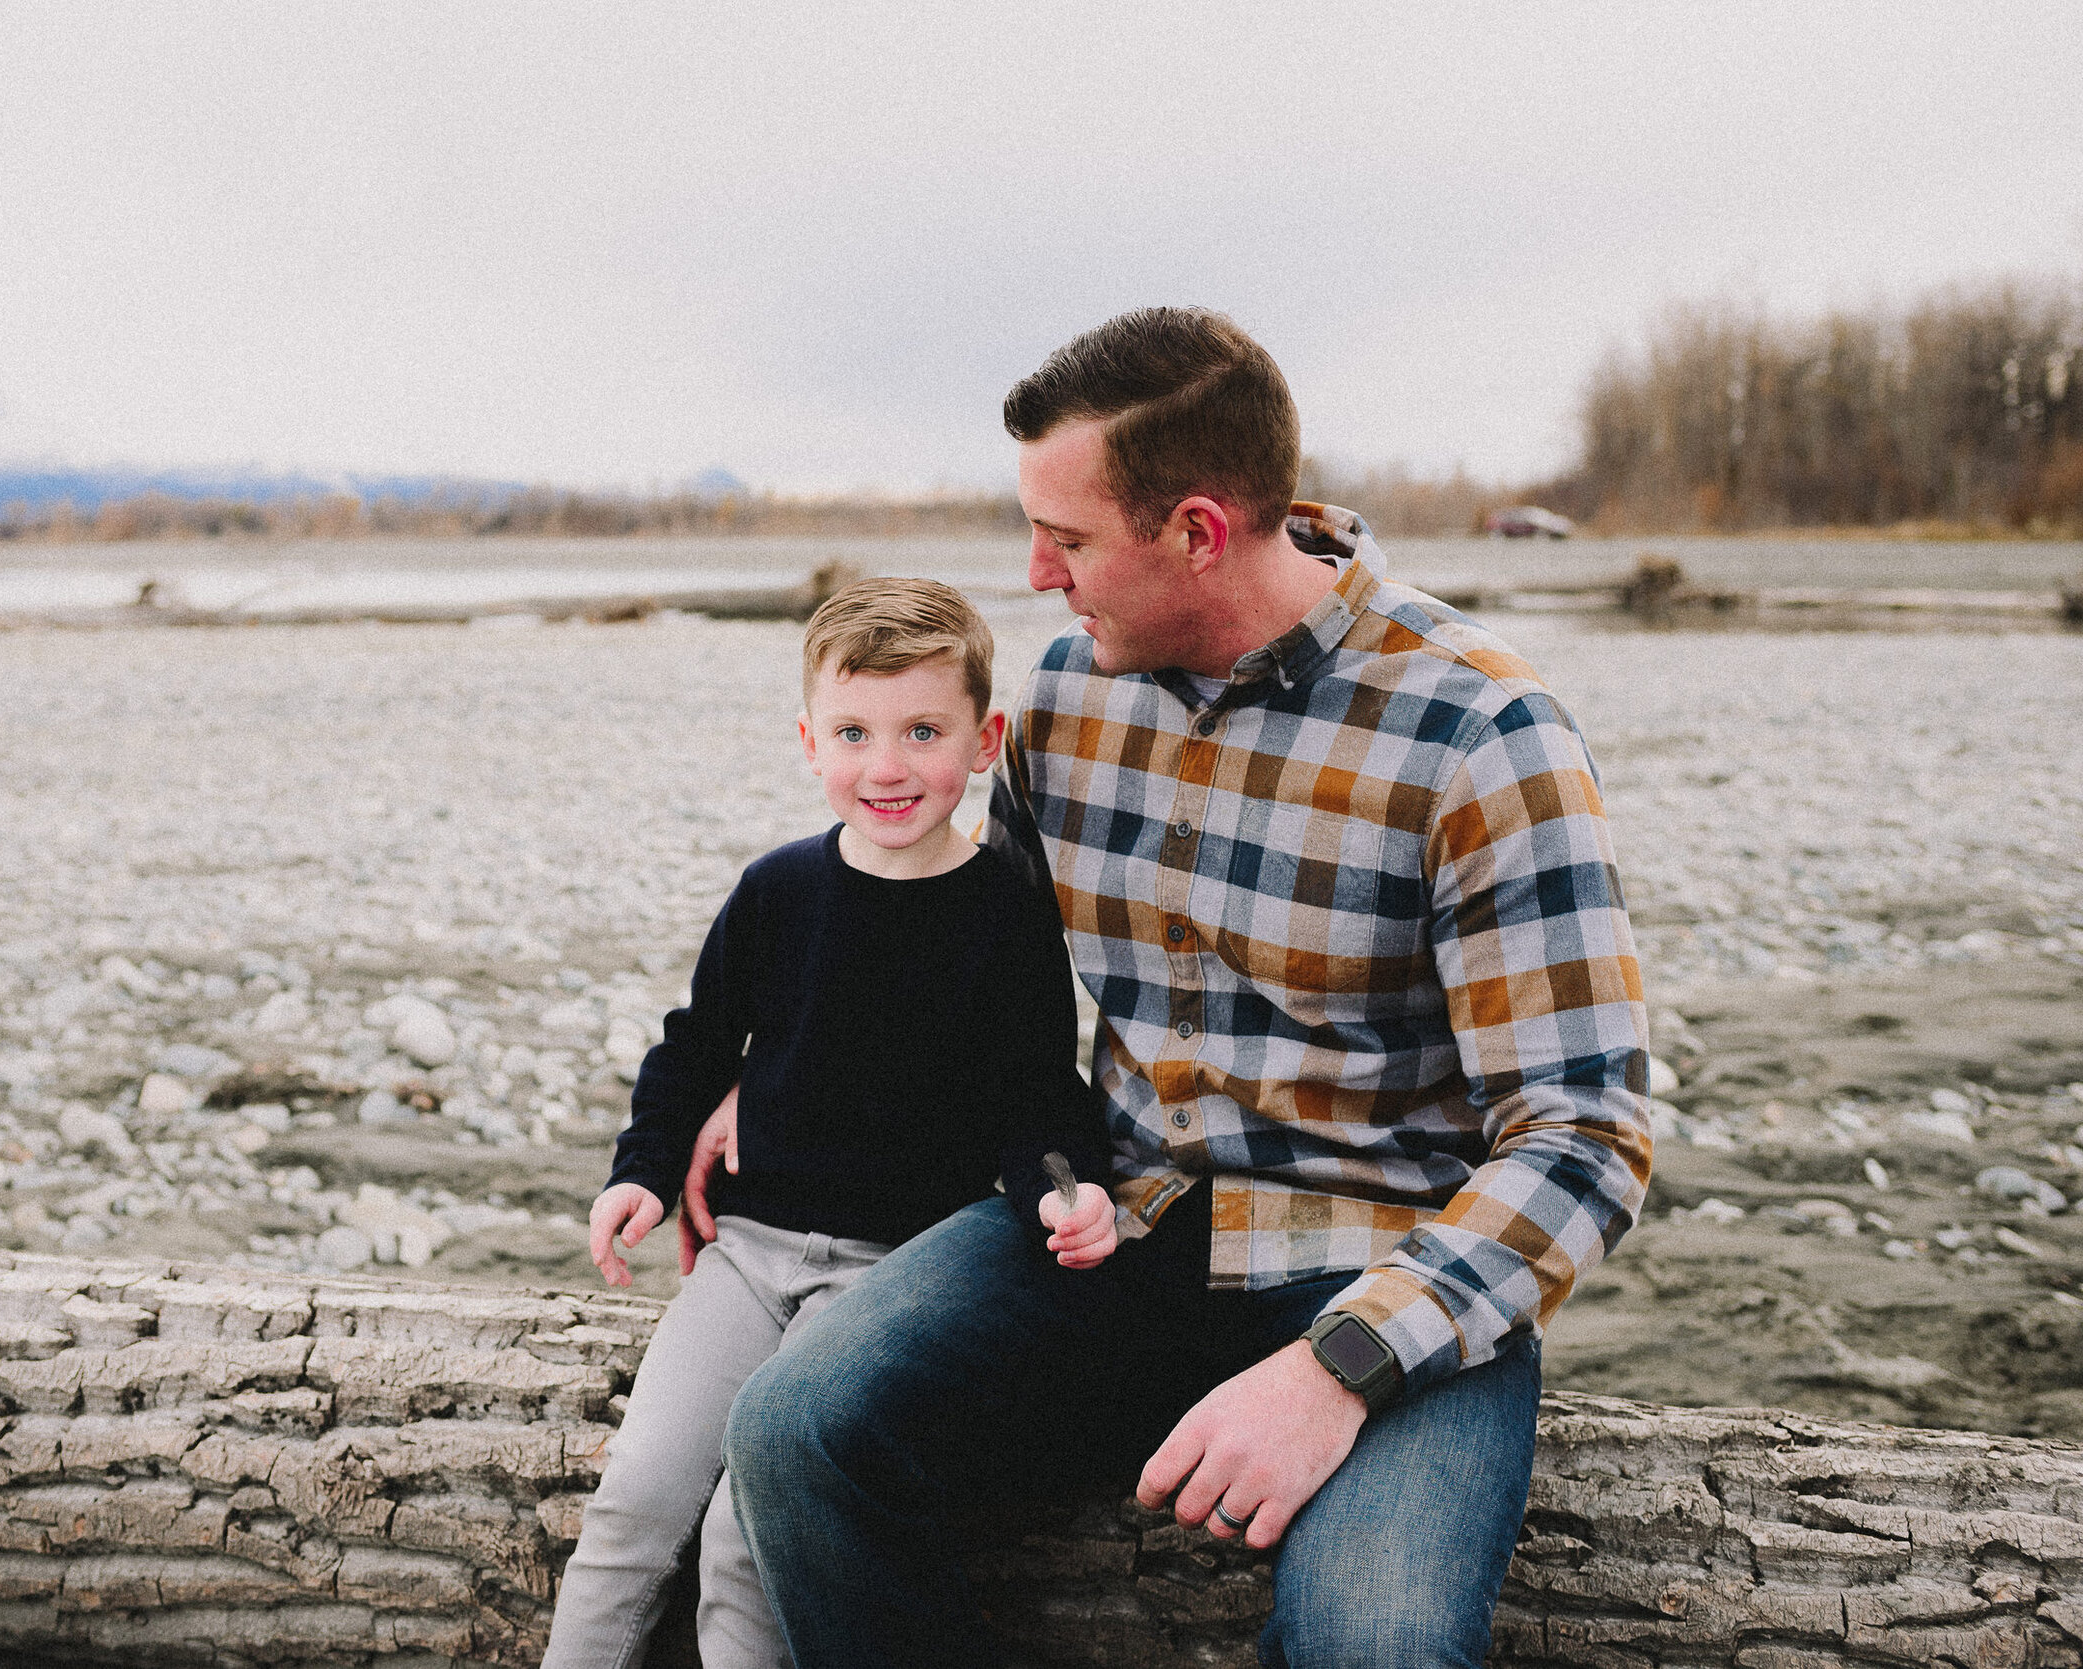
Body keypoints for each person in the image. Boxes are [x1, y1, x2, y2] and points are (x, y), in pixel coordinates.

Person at [709, 308, 1654, 1668]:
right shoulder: (1063, 704)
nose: (1037, 575)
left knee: (1375, 1646)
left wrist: (1337, 1372)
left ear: (1198, 532)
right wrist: (762, 1068)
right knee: (795, 1431)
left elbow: (1586, 1135)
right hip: (1119, 1218)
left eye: (1069, 539)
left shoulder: (1481, 732)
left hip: (1387, 1265)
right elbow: (965, 967)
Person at [541, 577, 1119, 1669]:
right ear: (809, 741)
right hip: (746, 1260)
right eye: (853, 732)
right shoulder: (778, 891)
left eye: (921, 731)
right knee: (634, 1501)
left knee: (742, 1541)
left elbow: (1039, 1089)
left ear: (983, 739)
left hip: (888, 1276)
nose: (886, 766)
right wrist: (643, 1172)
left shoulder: (1004, 911)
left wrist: (1065, 1186)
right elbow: (697, 1043)